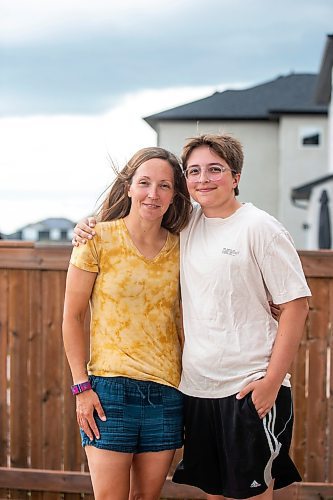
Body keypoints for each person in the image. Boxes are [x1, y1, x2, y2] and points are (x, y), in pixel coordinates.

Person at [73, 133, 311, 500]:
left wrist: (271, 382)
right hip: (197, 391)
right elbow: (141, 218)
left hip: (248, 387)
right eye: (195, 171)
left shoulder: (260, 227)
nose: (204, 179)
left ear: (235, 176)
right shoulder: (188, 226)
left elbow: (296, 306)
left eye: (215, 169)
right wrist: (85, 225)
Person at [62, 146, 192, 500]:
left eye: (164, 186)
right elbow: (72, 317)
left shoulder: (185, 248)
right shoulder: (97, 239)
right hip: (108, 392)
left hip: (167, 392)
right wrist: (81, 388)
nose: (154, 193)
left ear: (174, 194)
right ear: (129, 187)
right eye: (145, 183)